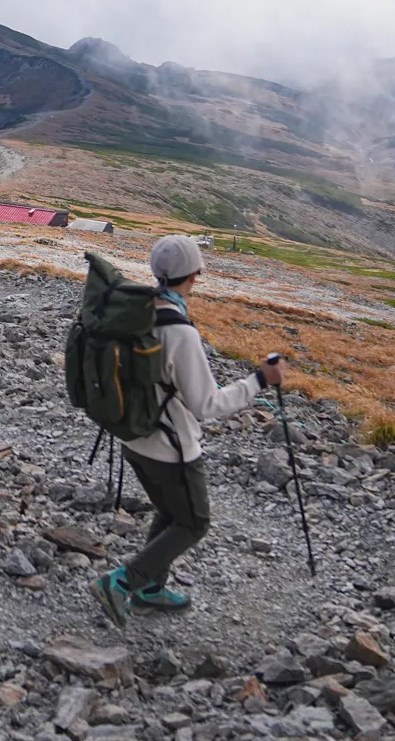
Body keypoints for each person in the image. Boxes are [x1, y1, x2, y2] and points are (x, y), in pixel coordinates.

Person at [91, 233, 283, 624]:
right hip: (171, 449)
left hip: (133, 436)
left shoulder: (136, 312)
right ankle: (124, 582)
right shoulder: (180, 332)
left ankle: (151, 588)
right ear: (194, 274)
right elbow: (206, 404)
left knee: (169, 511)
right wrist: (259, 381)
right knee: (195, 522)